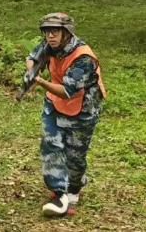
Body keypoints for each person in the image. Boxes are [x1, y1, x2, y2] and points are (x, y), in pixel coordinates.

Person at [25, 13, 106, 217]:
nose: (50, 36)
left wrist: (40, 82)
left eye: (55, 31)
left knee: (75, 156)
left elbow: (67, 91)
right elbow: (32, 58)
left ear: (67, 33)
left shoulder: (84, 58)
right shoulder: (49, 45)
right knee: (50, 143)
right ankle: (58, 191)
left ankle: (74, 186)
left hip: (82, 110)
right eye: (46, 32)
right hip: (54, 103)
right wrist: (32, 72)